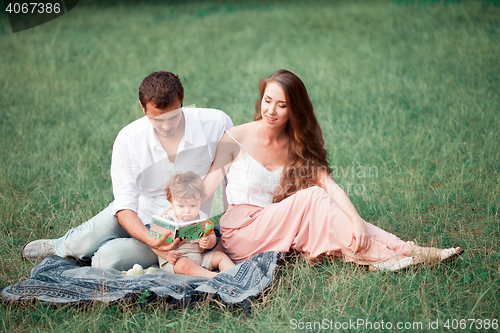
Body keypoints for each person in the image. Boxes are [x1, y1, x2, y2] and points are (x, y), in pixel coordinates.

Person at [203, 69, 461, 271]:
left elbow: (330, 186)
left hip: (273, 222)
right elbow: (206, 190)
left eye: (281, 105)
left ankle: (410, 250)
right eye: (267, 100)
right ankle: (384, 257)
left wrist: (357, 222)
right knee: (313, 197)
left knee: (334, 212)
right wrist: (174, 222)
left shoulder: (296, 146)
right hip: (240, 233)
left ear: (293, 109)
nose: (270, 110)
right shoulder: (235, 137)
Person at [21, 71, 233, 271]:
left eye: (173, 117)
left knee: (105, 260)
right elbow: (125, 204)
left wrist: (226, 233)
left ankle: (108, 253)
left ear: (182, 99)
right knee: (81, 243)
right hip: (139, 214)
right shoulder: (129, 139)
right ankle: (62, 246)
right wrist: (149, 239)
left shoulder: (216, 123)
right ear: (143, 108)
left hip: (185, 226)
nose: (167, 126)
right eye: (158, 120)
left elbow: (229, 179)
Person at [157, 172, 235, 278]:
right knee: (185, 264)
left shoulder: (201, 216)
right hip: (176, 260)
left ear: (200, 201)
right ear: (171, 202)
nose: (187, 210)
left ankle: (233, 274)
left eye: (193, 205)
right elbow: (154, 244)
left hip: (200, 257)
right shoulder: (168, 219)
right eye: (181, 206)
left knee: (220, 256)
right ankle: (213, 277)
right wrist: (167, 255)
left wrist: (209, 241)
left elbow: (211, 234)